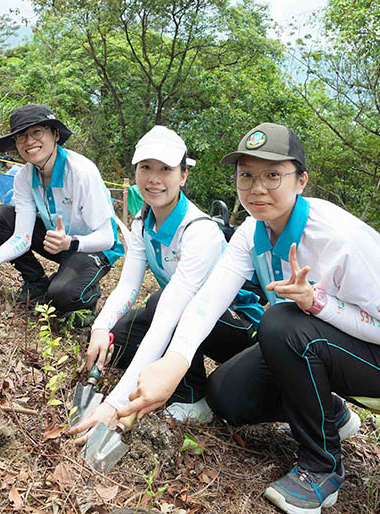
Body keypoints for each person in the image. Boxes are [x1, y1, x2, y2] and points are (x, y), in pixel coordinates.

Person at [115, 123, 380, 514]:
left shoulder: (340, 238)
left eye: (273, 176)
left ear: (301, 180)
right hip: (329, 343)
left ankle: (322, 468)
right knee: (225, 398)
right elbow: (207, 301)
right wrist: (175, 361)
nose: (257, 188)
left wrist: (317, 303)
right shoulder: (252, 233)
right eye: (247, 176)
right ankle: (331, 413)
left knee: (284, 322)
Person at [68, 126, 262, 432]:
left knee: (162, 304)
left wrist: (114, 405)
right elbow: (129, 287)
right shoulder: (143, 223)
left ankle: (193, 395)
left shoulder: (199, 231)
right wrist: (100, 327)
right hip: (181, 315)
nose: (154, 179)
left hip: (239, 329)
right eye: (146, 168)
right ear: (135, 172)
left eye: (166, 169)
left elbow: (171, 312)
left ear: (183, 176)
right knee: (119, 341)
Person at [0, 104, 123, 325]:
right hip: (56, 242)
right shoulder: (24, 177)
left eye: (37, 132)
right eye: (22, 136)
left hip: (93, 248)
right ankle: (36, 282)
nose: (29, 142)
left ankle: (88, 295)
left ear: (55, 135)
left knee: (61, 297)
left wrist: (71, 242)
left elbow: (108, 238)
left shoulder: (81, 173)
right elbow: (23, 237)